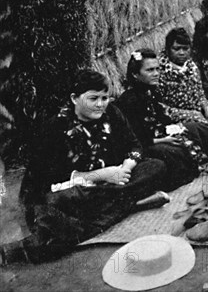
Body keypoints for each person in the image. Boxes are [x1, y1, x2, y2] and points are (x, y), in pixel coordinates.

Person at [2, 70, 167, 263]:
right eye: (93, 98)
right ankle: (127, 205)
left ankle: (116, 206)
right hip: (72, 188)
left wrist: (125, 168)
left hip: (112, 183)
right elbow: (50, 181)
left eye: (105, 98)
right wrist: (101, 175)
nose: (100, 104)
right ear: (74, 98)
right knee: (57, 203)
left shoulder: (111, 112)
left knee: (156, 166)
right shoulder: (56, 127)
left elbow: (135, 146)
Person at [116, 49, 208, 191]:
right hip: (146, 144)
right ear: (135, 74)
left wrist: (174, 129)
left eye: (157, 69)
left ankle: (203, 162)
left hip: (159, 133)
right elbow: (135, 139)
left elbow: (162, 119)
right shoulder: (129, 101)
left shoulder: (151, 91)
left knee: (198, 128)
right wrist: (164, 139)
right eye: (150, 70)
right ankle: (187, 172)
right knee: (173, 151)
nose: (156, 73)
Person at [156, 28, 208, 134]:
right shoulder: (159, 71)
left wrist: (206, 107)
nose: (181, 53)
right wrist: (190, 114)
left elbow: (199, 92)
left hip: (198, 107)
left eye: (185, 49)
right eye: (176, 49)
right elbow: (160, 106)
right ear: (167, 49)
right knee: (200, 123)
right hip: (178, 115)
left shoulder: (191, 66)